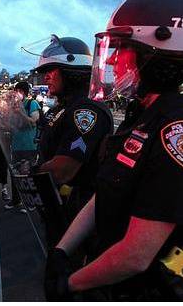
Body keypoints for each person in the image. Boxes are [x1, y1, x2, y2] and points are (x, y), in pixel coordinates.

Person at [46, 0, 183, 301]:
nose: (113, 59)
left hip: (150, 289)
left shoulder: (182, 127)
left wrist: (71, 283)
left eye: (123, 48)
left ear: (157, 52)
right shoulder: (142, 113)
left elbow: (137, 254)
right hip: (114, 278)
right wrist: (62, 249)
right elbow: (107, 191)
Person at [34, 36, 113, 245]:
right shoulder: (62, 108)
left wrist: (31, 172)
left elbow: (62, 170)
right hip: (59, 205)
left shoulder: (86, 111)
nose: (46, 78)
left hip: (78, 212)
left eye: (52, 71)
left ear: (72, 72)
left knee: (65, 269)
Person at [4, 81, 42, 212]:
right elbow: (10, 124)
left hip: (29, 145)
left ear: (24, 92)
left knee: (27, 174)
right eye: (15, 91)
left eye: (19, 91)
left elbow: (33, 122)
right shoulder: (13, 105)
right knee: (15, 173)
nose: (17, 94)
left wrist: (19, 112)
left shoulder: (32, 104)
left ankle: (30, 202)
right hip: (15, 145)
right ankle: (16, 199)